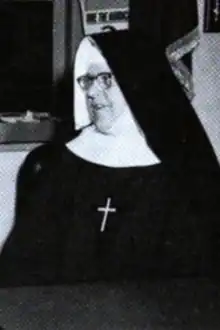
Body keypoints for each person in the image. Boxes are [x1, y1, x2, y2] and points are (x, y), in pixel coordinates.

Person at [0, 30, 219, 287]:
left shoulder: (179, 174)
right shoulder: (59, 165)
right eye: (87, 79)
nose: (91, 92)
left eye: (105, 79)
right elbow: (22, 265)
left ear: (138, 84)